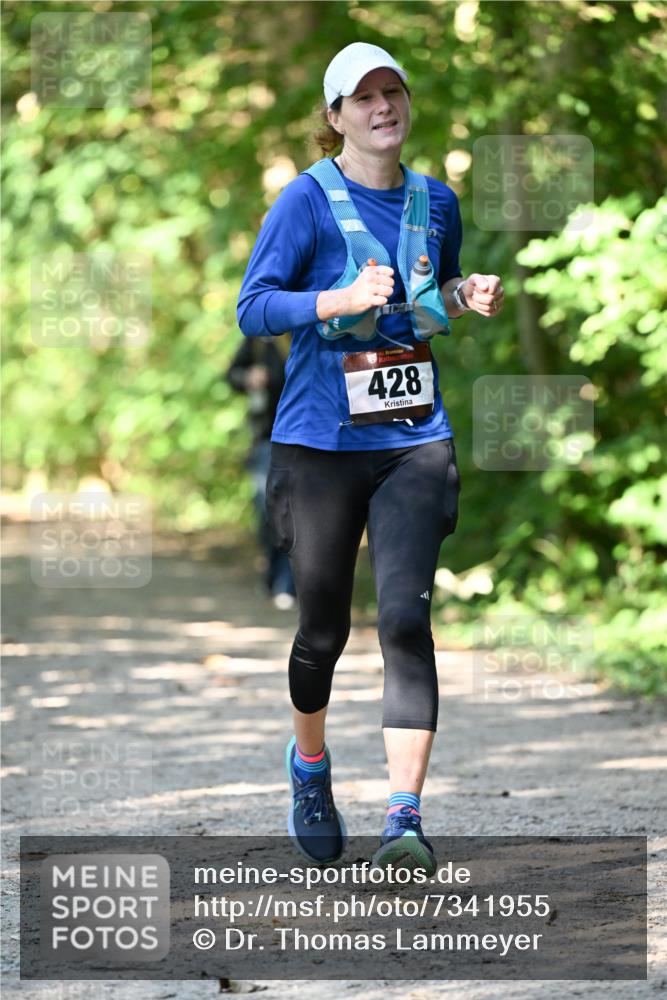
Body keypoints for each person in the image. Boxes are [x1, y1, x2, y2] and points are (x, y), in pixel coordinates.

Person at [237, 41, 504, 873]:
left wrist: (464, 293)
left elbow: (435, 292)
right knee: (322, 627)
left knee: (403, 619)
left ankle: (403, 820)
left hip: (413, 438)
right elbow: (253, 309)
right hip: (319, 443)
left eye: (393, 93)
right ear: (334, 116)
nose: (383, 107)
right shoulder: (304, 204)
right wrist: (339, 298)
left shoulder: (437, 200)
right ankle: (309, 767)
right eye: (364, 98)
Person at [227, 336, 297, 609]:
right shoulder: (257, 341)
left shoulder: (307, 330)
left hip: (304, 438)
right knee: (267, 511)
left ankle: (287, 584)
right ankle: (272, 576)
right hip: (265, 440)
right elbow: (232, 375)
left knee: (294, 513)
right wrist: (247, 378)